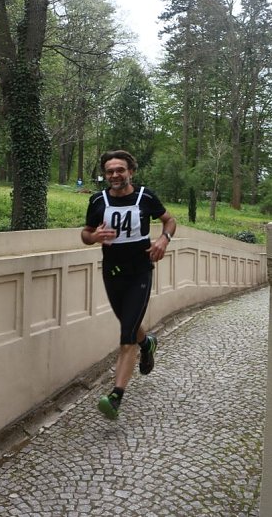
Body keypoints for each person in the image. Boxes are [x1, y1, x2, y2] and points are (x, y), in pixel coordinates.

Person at [81, 150, 176, 420]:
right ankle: (147, 344)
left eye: (120, 170)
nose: (114, 175)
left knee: (126, 335)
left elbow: (170, 220)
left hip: (140, 273)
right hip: (112, 272)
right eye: (110, 171)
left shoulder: (145, 197)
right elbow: (85, 234)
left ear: (130, 172)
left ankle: (116, 396)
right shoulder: (98, 200)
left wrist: (163, 239)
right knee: (129, 324)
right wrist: (94, 236)